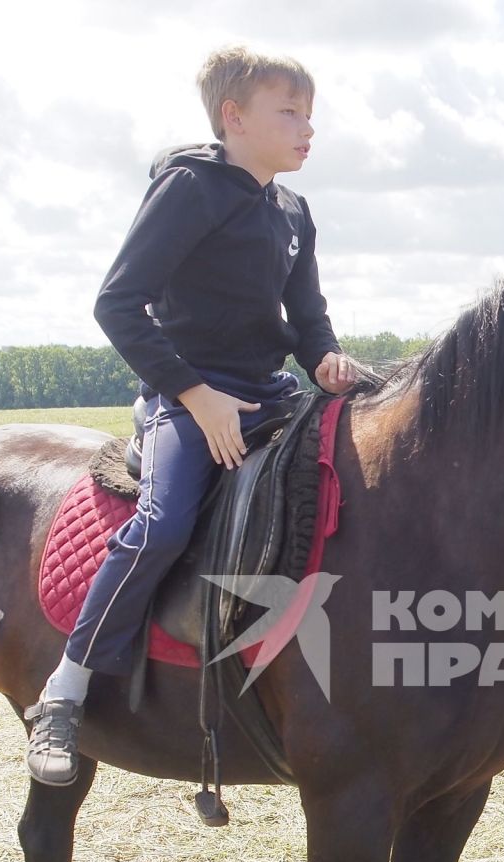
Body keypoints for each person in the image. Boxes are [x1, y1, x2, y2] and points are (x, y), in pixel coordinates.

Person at [25, 45, 363, 784]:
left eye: (311, 115)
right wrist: (192, 394)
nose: (308, 129)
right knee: (166, 519)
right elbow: (117, 304)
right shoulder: (189, 189)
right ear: (232, 117)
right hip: (186, 397)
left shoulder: (293, 210)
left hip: (270, 392)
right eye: (290, 113)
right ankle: (65, 690)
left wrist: (328, 359)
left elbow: (307, 319)